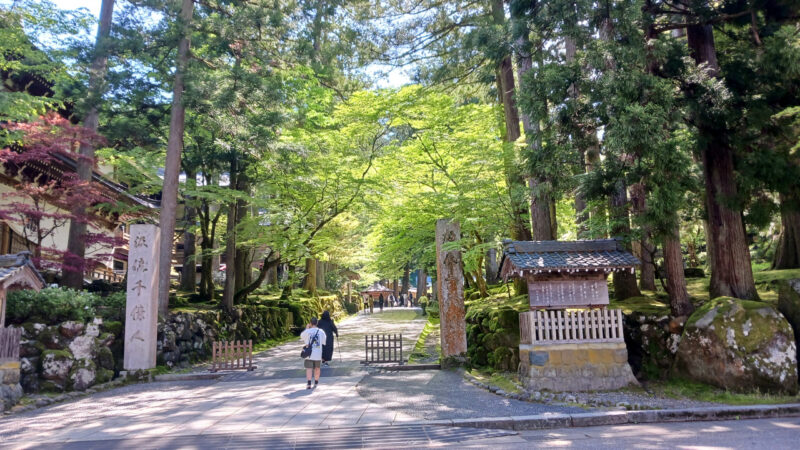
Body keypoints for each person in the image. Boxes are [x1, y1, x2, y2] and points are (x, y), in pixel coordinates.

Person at [300, 317, 327, 389]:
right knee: (317, 368)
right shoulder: (321, 331)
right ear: (317, 323)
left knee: (309, 368)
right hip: (318, 353)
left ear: (310, 323)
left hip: (309, 353)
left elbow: (301, 337)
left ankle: (309, 384)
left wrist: (307, 329)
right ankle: (316, 382)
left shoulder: (307, 331)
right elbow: (324, 342)